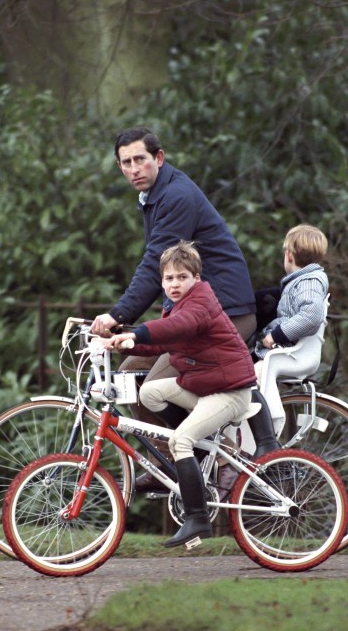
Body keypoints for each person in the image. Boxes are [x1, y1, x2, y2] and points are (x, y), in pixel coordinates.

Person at [91, 127, 266, 491]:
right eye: (126, 162)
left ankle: (215, 457)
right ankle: (170, 463)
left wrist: (117, 317)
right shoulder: (156, 196)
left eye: (141, 159)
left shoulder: (176, 196)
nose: (134, 168)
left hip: (223, 314)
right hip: (191, 318)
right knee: (129, 375)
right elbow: (160, 269)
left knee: (154, 385)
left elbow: (154, 265)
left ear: (159, 158)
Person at [103, 242, 256, 548]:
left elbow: (179, 326)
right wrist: (126, 343)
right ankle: (196, 452)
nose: (175, 284)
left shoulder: (200, 302)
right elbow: (164, 343)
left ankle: (197, 518)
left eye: (182, 277)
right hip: (206, 386)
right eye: (169, 278)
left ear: (196, 279)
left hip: (228, 391)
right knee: (149, 392)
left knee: (179, 440)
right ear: (162, 282)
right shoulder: (177, 305)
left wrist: (138, 333)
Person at [252, 224, 330, 420]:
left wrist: (274, 335)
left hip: (288, 351)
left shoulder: (309, 282)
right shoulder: (304, 280)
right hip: (285, 349)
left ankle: (269, 426)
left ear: (289, 255)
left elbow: (311, 315)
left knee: (250, 380)